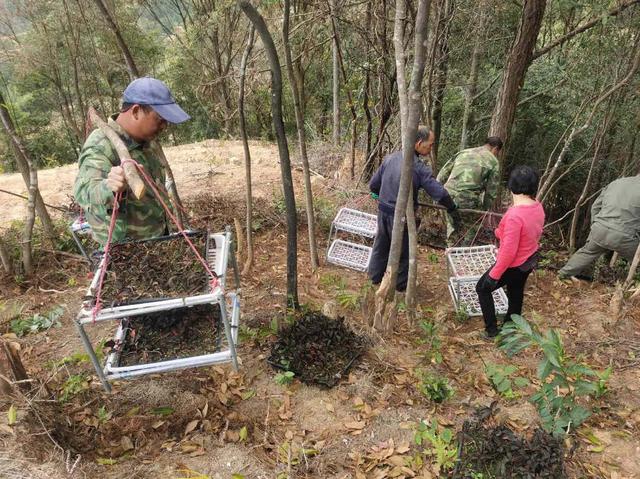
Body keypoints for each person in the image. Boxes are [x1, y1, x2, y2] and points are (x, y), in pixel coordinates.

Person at [74, 77, 190, 247]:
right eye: (160, 119)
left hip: (156, 243)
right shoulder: (101, 145)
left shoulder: (147, 142)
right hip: (125, 254)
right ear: (136, 111)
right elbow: (84, 192)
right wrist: (110, 187)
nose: (165, 126)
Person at [368, 126, 458, 292]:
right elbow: (438, 192)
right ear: (418, 143)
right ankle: (400, 287)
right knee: (403, 251)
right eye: (429, 145)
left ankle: (374, 278)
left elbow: (373, 185)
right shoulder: (417, 167)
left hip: (383, 211)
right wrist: (452, 207)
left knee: (381, 244)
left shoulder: (390, 158)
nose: (431, 148)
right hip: (401, 215)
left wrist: (378, 195)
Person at [475, 166, 545, 337]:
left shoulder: (514, 215)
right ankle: (511, 325)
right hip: (529, 259)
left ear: (511, 186)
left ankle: (491, 330)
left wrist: (494, 275)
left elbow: (508, 252)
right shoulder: (537, 207)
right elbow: (533, 231)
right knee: (516, 291)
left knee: (482, 289)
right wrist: (500, 233)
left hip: (513, 264)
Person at [559, 175, 640, 280]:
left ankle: (562, 275)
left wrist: (595, 225)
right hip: (626, 237)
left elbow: (595, 207)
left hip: (600, 229)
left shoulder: (616, 182)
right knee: (637, 262)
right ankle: (631, 289)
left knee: (586, 253)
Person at [436, 137, 503, 246]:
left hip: (447, 194)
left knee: (452, 225)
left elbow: (441, 175)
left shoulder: (463, 152)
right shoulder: (493, 161)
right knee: (474, 226)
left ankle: (451, 252)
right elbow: (491, 191)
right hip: (468, 197)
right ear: (495, 149)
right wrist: (485, 210)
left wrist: (438, 193)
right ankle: (464, 251)